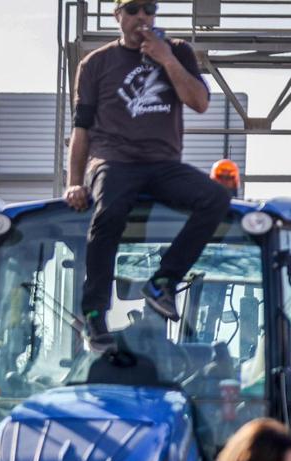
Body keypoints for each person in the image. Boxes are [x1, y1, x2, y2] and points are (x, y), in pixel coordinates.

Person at [65, 0, 232, 352]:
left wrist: (165, 58)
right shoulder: (95, 64)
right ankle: (95, 314)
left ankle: (163, 282)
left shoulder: (179, 52)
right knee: (110, 211)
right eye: (133, 9)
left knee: (216, 198)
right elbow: (81, 131)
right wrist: (74, 182)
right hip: (113, 159)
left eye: (149, 10)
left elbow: (199, 102)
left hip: (162, 163)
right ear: (118, 16)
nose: (142, 17)